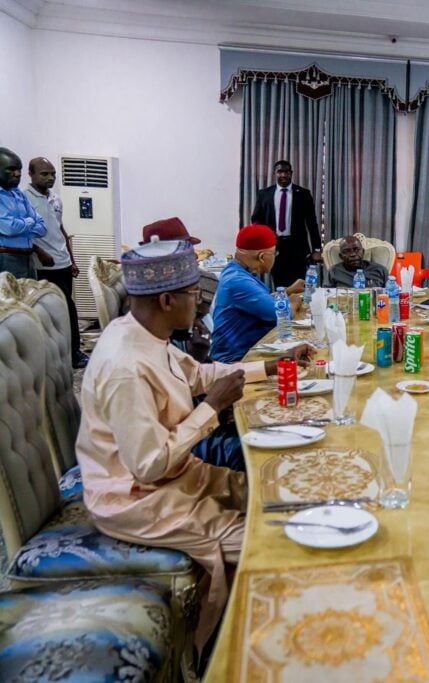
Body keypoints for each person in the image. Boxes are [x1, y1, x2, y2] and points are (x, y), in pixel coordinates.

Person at [76, 239, 314, 652]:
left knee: (280, 494)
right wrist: (211, 409)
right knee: (277, 539)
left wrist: (272, 365)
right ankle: (241, 650)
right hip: (138, 498)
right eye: (194, 293)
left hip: (178, 476)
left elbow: (201, 375)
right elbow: (148, 465)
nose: (203, 303)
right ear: (167, 300)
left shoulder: (146, 334)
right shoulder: (125, 367)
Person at [23, 156, 88, 368]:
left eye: (53, 174)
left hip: (63, 263)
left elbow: (61, 230)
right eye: (44, 174)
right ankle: (56, 356)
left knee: (68, 307)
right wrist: (39, 251)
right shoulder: (25, 200)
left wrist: (72, 259)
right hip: (43, 266)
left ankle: (74, 352)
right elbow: (24, 234)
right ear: (31, 175)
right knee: (49, 310)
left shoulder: (55, 199)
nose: (50, 178)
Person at [211, 224, 304, 363]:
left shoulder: (235, 270)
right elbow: (282, 314)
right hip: (235, 360)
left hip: (248, 350)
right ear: (262, 257)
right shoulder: (238, 281)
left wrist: (288, 290)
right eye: (274, 254)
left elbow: (261, 301)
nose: (275, 258)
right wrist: (294, 300)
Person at [250, 159, 322, 288]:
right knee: (279, 286)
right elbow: (256, 219)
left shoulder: (303, 194)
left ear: (291, 173)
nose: (283, 175)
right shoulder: (264, 194)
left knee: (299, 286)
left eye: (287, 172)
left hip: (298, 248)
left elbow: (312, 223)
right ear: (275, 173)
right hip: (274, 247)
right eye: (280, 172)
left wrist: (316, 249)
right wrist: (267, 235)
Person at [0, 147, 46, 278]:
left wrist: (20, 228)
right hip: (6, 258)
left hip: (27, 257)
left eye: (19, 169)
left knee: (32, 291)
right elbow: (10, 228)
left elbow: (42, 228)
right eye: (11, 169)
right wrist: (30, 221)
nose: (18, 174)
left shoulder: (18, 194)